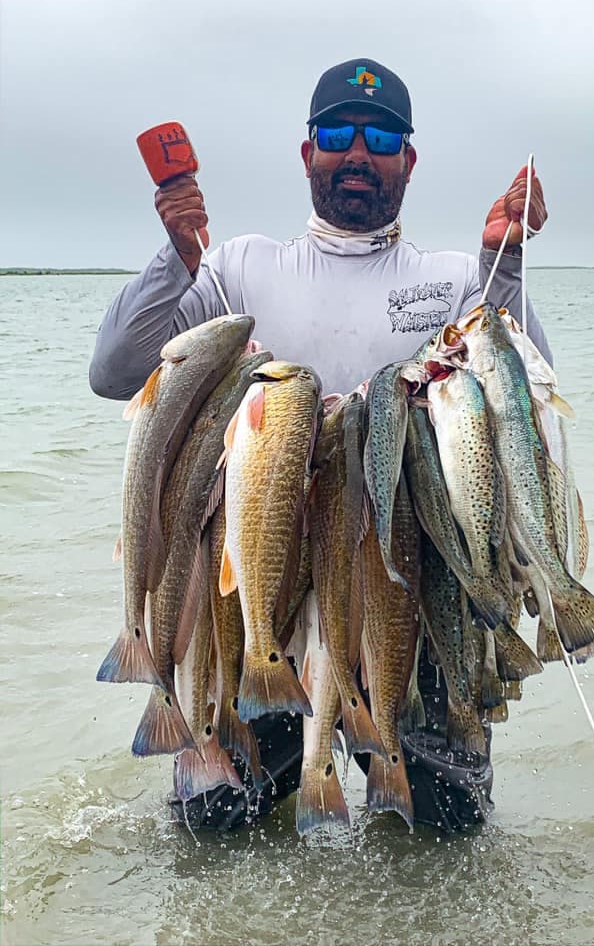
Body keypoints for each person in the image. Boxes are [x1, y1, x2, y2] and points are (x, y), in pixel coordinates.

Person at [90, 57, 550, 832]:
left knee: (442, 840)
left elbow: (524, 393)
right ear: (308, 155)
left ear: (408, 161)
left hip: (405, 579)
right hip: (253, 588)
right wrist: (178, 257)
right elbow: (113, 372)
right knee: (222, 838)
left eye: (380, 138)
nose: (358, 153)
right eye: (337, 134)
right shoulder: (237, 269)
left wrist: (501, 269)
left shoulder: (449, 281)